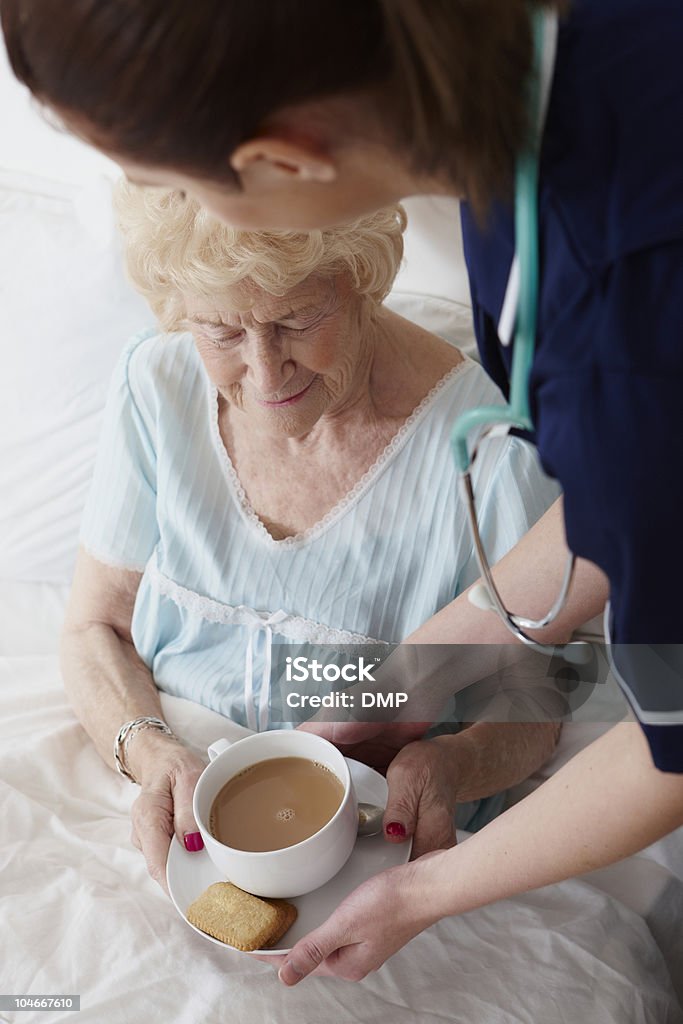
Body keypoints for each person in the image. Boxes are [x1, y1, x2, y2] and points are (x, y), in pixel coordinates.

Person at [2, 0, 682, 985]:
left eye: (167, 179)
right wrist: (408, 680)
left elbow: (671, 747)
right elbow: (618, 510)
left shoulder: (620, 320)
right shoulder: (524, 146)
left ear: (283, 163)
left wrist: (416, 892)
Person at [60, 184, 559, 887]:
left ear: (359, 279)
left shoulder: (490, 448)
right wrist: (153, 756)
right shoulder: (156, 382)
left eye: (295, 320)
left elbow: (537, 698)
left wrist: (450, 764)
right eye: (223, 332)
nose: (265, 372)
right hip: (161, 798)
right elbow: (94, 627)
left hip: (369, 838)